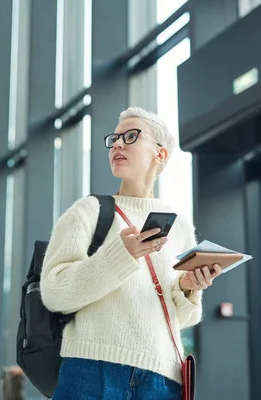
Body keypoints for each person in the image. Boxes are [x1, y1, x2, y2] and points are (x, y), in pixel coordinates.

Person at [40, 107, 223, 399]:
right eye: (114, 138)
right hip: (92, 369)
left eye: (131, 136)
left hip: (162, 379)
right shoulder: (89, 211)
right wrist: (120, 256)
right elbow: (54, 293)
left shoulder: (180, 224)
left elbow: (183, 318)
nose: (118, 144)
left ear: (160, 155)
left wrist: (188, 289)